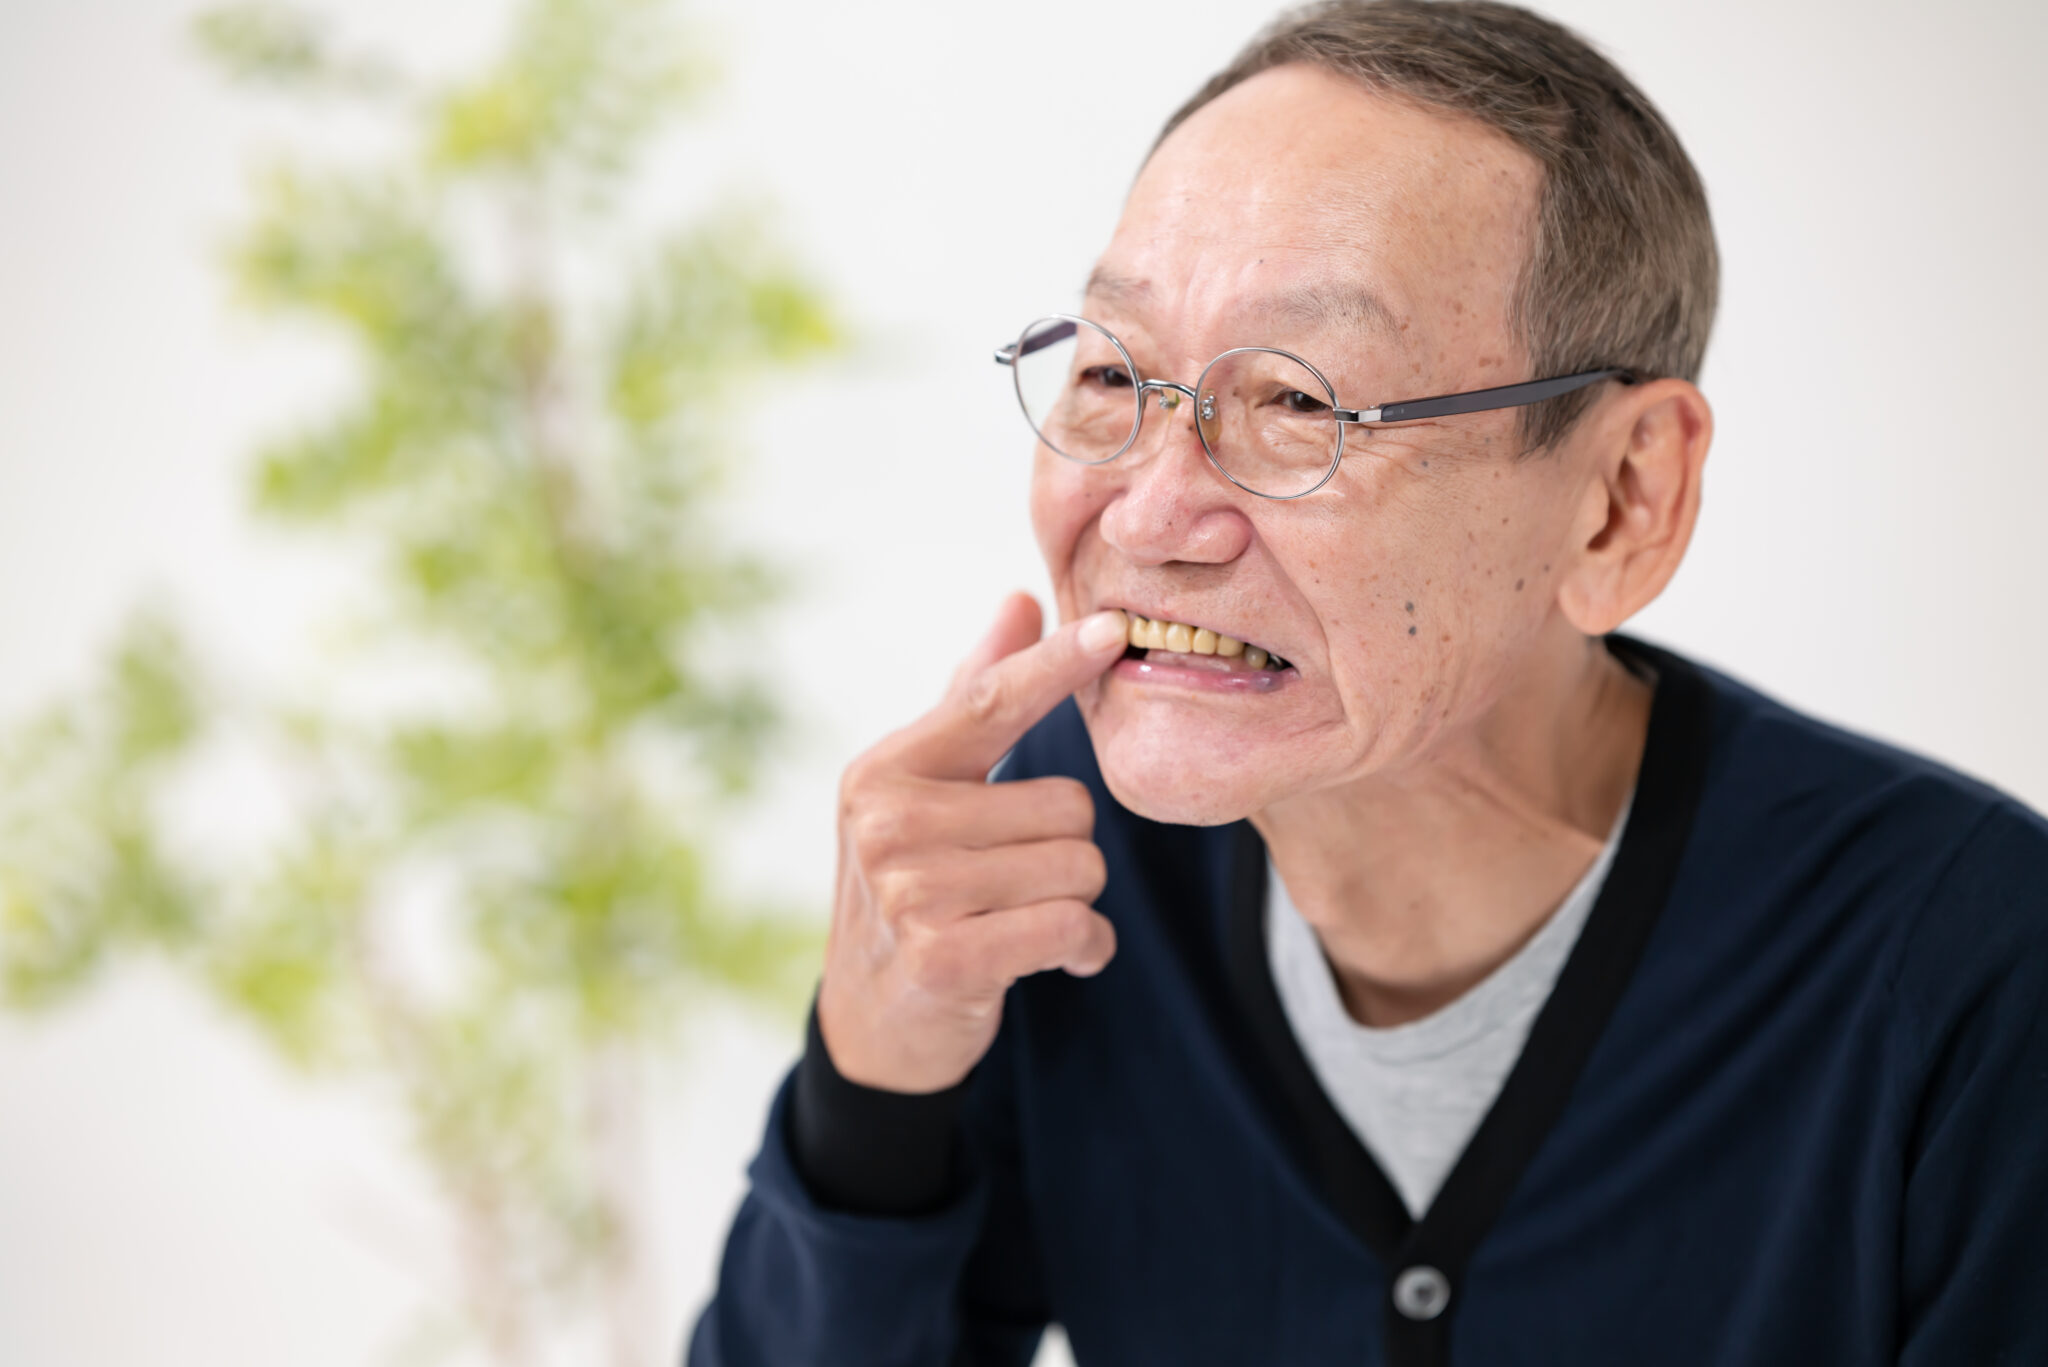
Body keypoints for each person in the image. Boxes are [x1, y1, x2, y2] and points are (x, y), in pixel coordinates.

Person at [688, 2, 2048, 1363]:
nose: (1153, 515)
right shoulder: (1051, 863)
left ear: (1622, 501)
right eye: (1113, 373)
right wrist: (870, 1088)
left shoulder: (1972, 976)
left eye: (1299, 401)